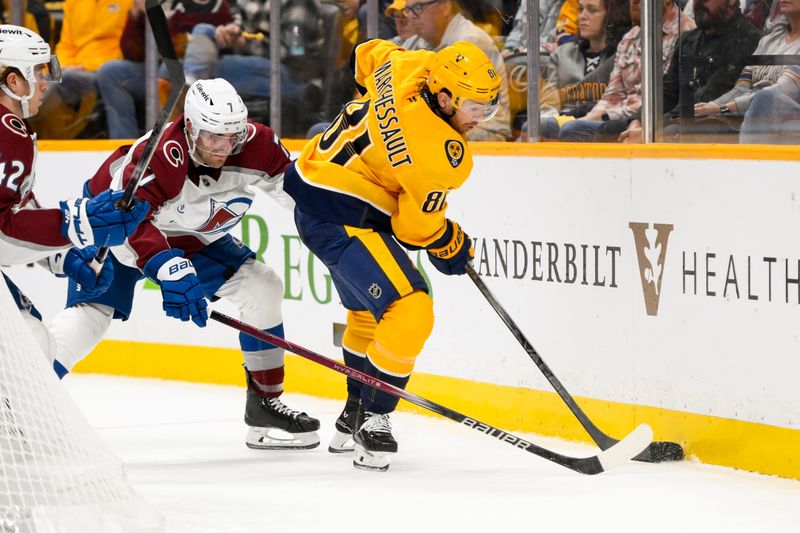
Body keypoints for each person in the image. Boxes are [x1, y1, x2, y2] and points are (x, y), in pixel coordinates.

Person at [49, 78, 321, 450]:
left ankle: (264, 406)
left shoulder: (257, 145)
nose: (225, 148)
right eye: (214, 138)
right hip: (113, 227)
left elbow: (302, 196)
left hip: (187, 235)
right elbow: (130, 222)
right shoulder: (160, 154)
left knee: (263, 287)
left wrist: (340, 228)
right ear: (190, 127)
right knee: (91, 315)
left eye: (233, 136)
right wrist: (167, 268)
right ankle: (21, 405)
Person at [283, 39, 501, 471]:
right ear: (444, 97)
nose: (481, 119)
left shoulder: (409, 64)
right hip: (342, 215)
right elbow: (412, 228)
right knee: (411, 310)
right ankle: (375, 417)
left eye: (488, 107)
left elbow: (362, 55)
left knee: (368, 316)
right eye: (474, 108)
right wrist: (448, 241)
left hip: (312, 194)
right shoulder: (443, 154)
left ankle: (351, 416)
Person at [0, 24, 148, 366]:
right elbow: (3, 228)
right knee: (30, 353)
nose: (45, 82)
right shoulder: (8, 135)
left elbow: (16, 209)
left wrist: (63, 256)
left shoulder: (12, 130)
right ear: (13, 81)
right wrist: (75, 224)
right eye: (37, 72)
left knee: (33, 349)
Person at [558, 0, 695, 142]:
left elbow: (666, 98)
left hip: (653, 121)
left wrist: (633, 121)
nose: (633, 2)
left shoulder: (686, 33)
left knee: (571, 130)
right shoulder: (630, 36)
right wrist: (589, 118)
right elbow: (612, 97)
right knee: (548, 126)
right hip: (619, 115)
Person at [97, 0, 233, 138]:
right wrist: (135, 13)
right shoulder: (159, 3)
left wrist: (156, 18)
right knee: (111, 72)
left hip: (198, 71)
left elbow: (223, 45)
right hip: (157, 66)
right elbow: (132, 54)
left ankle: (166, 142)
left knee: (167, 70)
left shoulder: (216, 5)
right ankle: (125, 148)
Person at [399, 0, 512, 141]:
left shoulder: (470, 42)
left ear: (445, 7)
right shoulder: (416, 42)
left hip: (484, 134)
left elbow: (471, 118)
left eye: (418, 7)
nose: (411, 16)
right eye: (408, 9)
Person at [692, 0, 800, 139]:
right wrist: (712, 105)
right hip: (751, 116)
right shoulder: (767, 41)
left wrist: (722, 109)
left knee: (764, 98)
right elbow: (742, 87)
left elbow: (782, 91)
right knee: (686, 126)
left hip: (789, 122)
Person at [29, 0, 133, 139]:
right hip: (72, 68)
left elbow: (128, 44)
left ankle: (22, 132)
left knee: (63, 80)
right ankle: (21, 134)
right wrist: (63, 67)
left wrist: (87, 66)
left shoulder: (128, 2)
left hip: (104, 70)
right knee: (33, 81)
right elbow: (65, 44)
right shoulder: (73, 2)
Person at [538, 0, 631, 139]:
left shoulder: (623, 54)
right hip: (565, 119)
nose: (582, 16)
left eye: (592, 10)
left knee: (571, 129)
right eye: (580, 9)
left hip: (603, 121)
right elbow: (548, 104)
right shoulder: (562, 54)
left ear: (611, 15)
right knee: (536, 126)